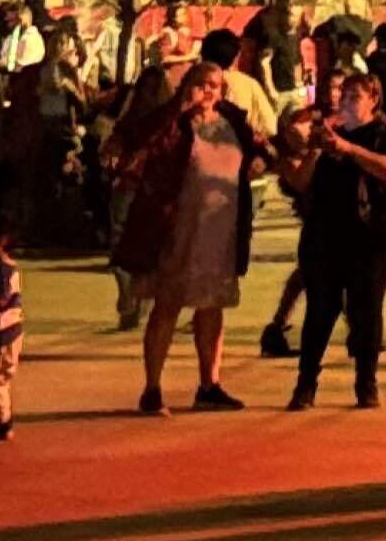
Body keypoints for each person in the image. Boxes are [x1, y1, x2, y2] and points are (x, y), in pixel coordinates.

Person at [115, 41, 270, 415]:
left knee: (212, 307)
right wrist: (178, 108)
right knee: (167, 305)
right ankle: (152, 387)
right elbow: (139, 139)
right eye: (201, 84)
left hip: (222, 231)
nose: (208, 92)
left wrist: (262, 161)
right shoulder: (174, 122)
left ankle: (209, 383)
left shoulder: (232, 120)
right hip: (178, 228)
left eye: (215, 86)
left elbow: (261, 148)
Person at [283, 65, 386, 410]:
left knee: (366, 311)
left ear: (373, 101)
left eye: (355, 96)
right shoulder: (328, 134)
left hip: (370, 238)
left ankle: (366, 383)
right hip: (325, 235)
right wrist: (317, 146)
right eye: (344, 95)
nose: (346, 102)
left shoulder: (383, 132)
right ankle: (305, 384)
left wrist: (348, 149)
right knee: (320, 311)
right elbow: (300, 182)